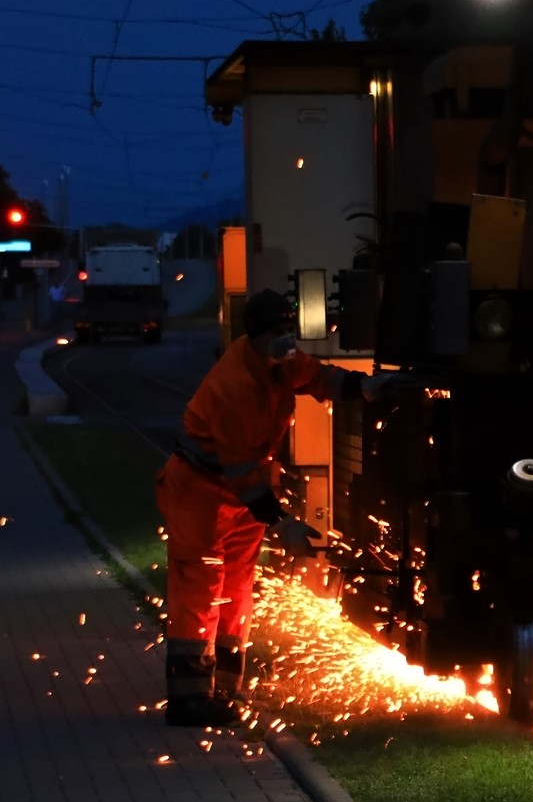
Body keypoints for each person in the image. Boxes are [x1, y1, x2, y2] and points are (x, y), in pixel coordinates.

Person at [154, 288, 401, 727]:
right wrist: (282, 523)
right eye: (279, 332)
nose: (289, 340)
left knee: (237, 588)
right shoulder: (234, 386)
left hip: (240, 491)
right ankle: (189, 700)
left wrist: (362, 387)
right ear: (254, 335)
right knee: (200, 589)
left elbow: (320, 378)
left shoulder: (281, 364)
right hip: (201, 492)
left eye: (291, 330)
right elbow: (241, 472)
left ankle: (226, 689)